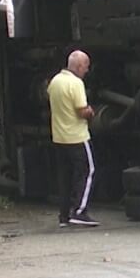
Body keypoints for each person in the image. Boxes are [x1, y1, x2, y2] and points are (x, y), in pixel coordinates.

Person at [48, 50, 99, 228]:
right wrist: (91, 112)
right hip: (77, 137)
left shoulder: (55, 82)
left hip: (59, 137)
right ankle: (80, 211)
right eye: (86, 66)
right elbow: (81, 110)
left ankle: (64, 215)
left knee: (65, 177)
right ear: (78, 66)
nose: (87, 70)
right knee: (88, 171)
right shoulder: (76, 83)